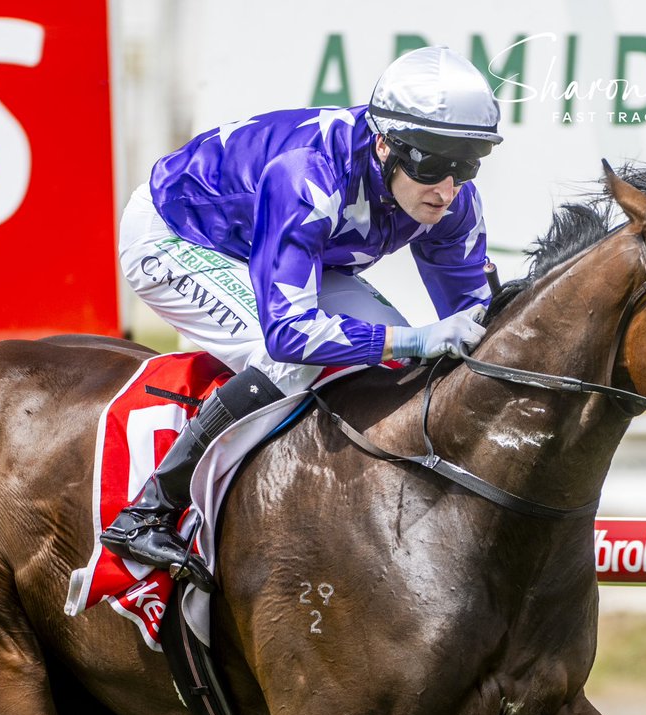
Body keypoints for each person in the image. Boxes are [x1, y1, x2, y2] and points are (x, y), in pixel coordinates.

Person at [100, 46, 502, 590]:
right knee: (290, 359)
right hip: (177, 234)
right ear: (384, 144)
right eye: (430, 163)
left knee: (397, 367)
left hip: (277, 242)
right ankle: (149, 511)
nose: (447, 188)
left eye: (466, 163)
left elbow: (476, 323)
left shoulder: (451, 200)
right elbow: (292, 335)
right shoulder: (308, 173)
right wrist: (414, 337)